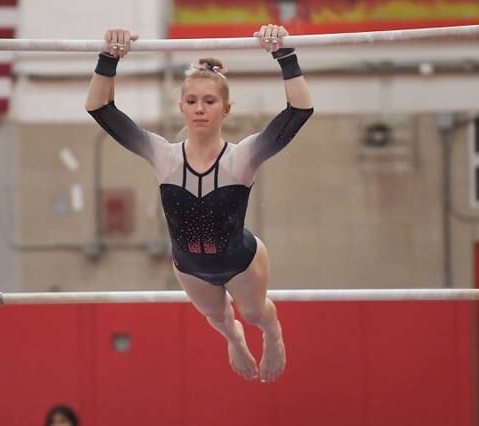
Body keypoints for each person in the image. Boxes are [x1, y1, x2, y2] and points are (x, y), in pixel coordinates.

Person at [85, 24, 313, 383]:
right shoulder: (163, 156)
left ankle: (273, 334)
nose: (200, 109)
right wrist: (109, 57)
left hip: (241, 261)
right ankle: (235, 340)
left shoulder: (243, 158)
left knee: (254, 314)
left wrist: (284, 53)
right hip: (189, 266)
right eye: (191, 102)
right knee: (221, 319)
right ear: (181, 107)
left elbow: (299, 110)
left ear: (227, 109)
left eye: (209, 102)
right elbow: (99, 107)